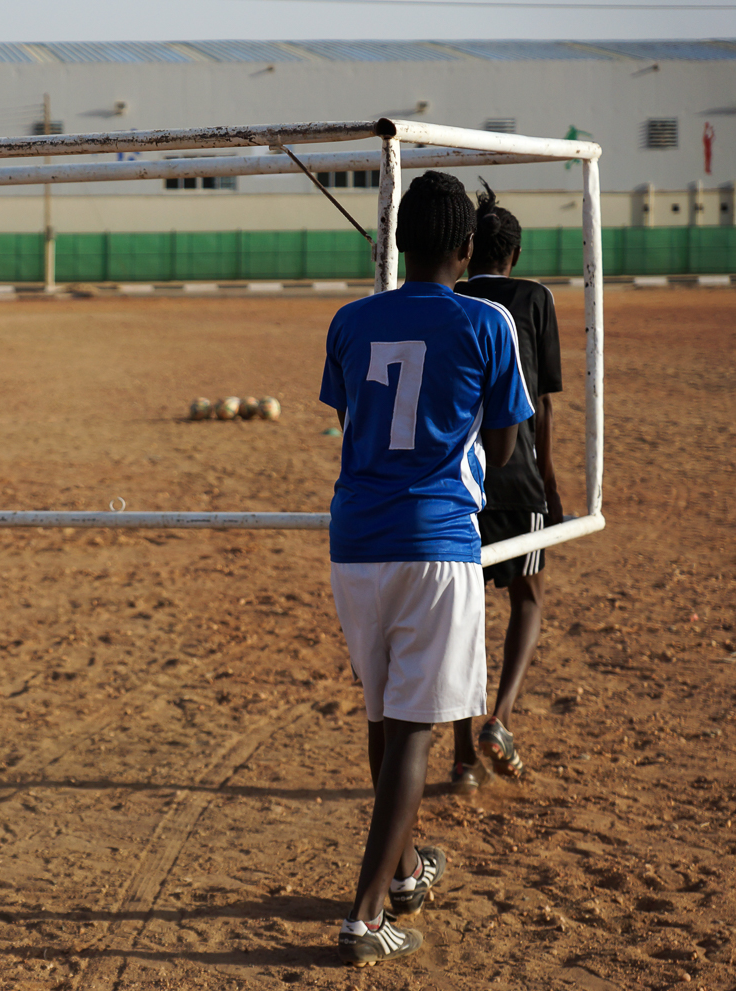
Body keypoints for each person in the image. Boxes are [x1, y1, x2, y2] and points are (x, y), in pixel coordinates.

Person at [319, 171, 534, 965]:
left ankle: (405, 870)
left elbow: (353, 419)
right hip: (436, 538)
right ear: (468, 248)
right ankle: (365, 912)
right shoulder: (488, 321)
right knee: (413, 729)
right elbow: (505, 446)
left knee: (384, 716)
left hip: (355, 541)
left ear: (398, 242)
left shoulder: (349, 320)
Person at [448, 182, 563, 792]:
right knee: (529, 600)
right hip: (518, 477)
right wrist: (550, 478)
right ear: (512, 254)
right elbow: (540, 403)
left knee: (465, 618)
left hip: (464, 480)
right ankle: (502, 717)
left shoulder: (454, 295)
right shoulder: (533, 297)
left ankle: (464, 755)